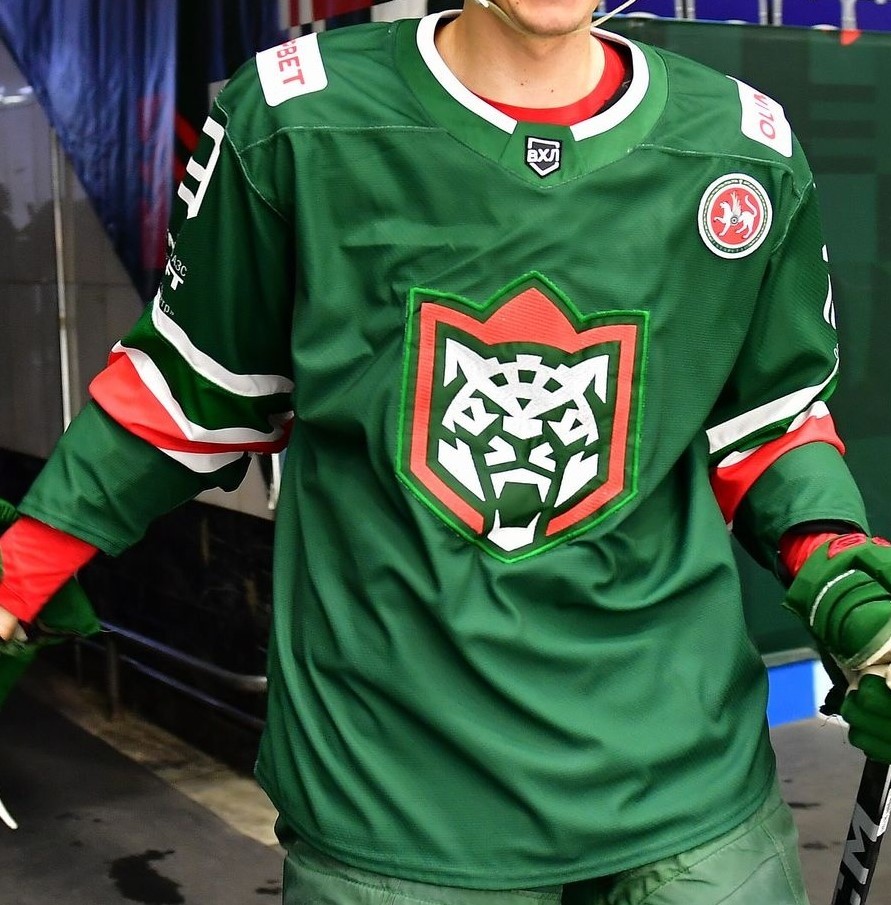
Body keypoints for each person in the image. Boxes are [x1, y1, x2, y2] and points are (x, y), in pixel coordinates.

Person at [2, 1, 891, 902]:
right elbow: (191, 390)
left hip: (689, 790)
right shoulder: (295, 120)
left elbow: (769, 422)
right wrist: (16, 576)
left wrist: (842, 583)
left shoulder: (742, 146)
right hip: (393, 801)